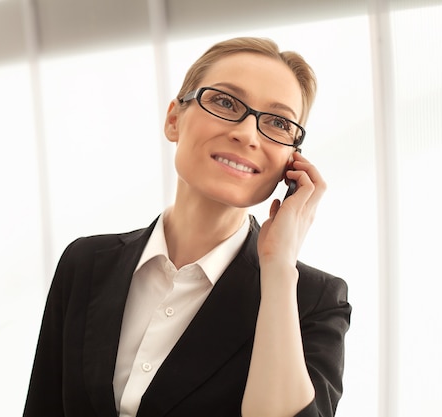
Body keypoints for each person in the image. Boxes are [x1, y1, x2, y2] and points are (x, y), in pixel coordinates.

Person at [23, 36, 351, 417]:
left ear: (291, 162)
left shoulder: (314, 301)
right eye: (225, 102)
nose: (247, 134)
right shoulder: (85, 262)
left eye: (278, 123)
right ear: (174, 119)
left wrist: (278, 268)